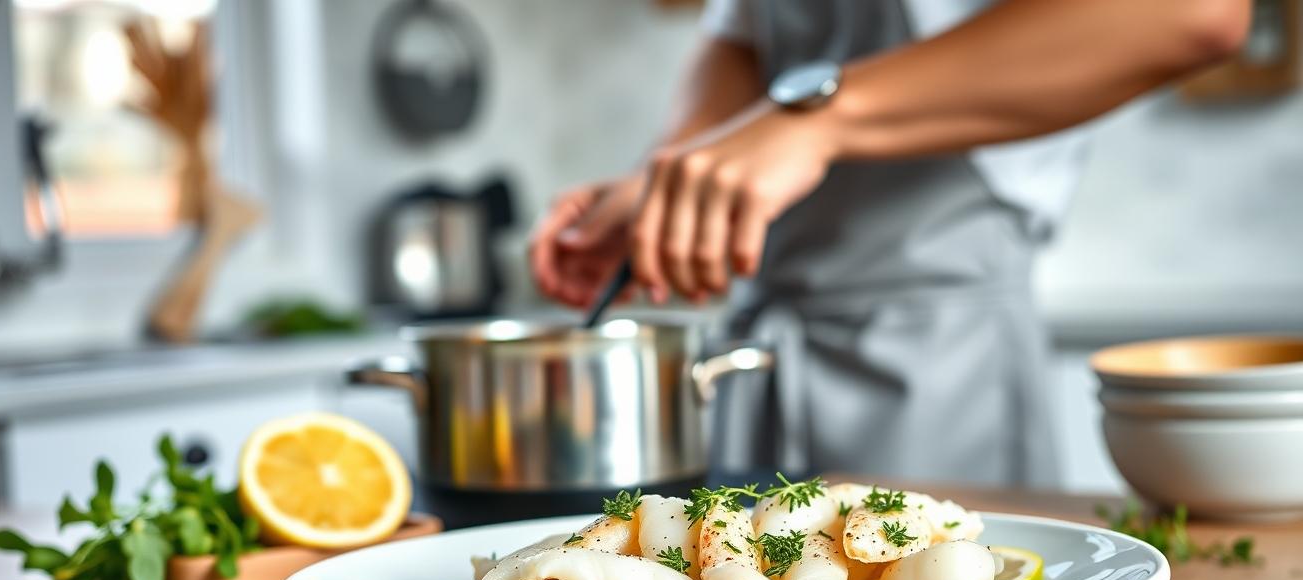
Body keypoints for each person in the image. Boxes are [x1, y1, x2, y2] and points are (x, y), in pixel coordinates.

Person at [528, 0, 1249, 487]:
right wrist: (671, 180)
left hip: (941, 378)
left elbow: (1191, 12)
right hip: (763, 367)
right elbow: (743, 32)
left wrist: (815, 118)